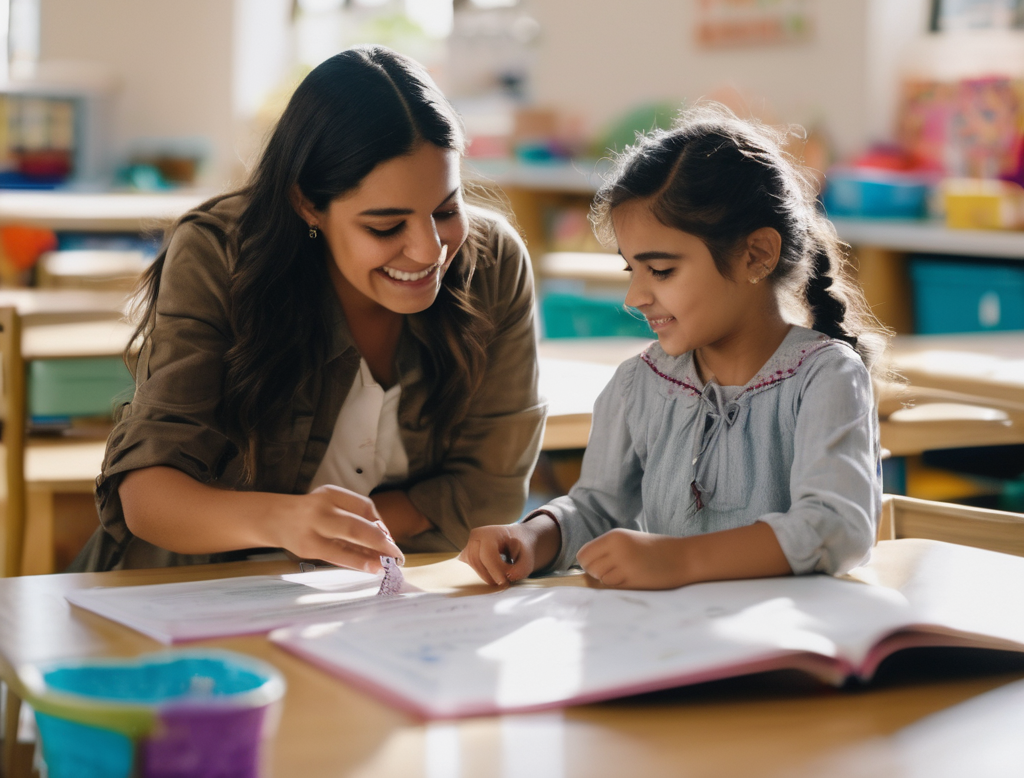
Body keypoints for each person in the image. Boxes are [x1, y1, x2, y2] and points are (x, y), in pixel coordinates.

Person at [74, 46, 545, 571]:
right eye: (386, 226)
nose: (429, 249)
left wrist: (336, 531)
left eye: (446, 210)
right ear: (307, 204)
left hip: (368, 595)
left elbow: (492, 492)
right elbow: (148, 496)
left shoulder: (493, 261)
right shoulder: (221, 254)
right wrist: (287, 523)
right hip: (179, 588)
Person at [461, 107, 886, 591]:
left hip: (787, 632)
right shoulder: (639, 384)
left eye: (661, 271)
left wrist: (680, 560)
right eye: (632, 270)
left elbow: (836, 526)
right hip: (668, 632)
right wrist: (531, 536)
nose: (634, 297)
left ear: (757, 255)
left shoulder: (825, 378)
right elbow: (595, 508)